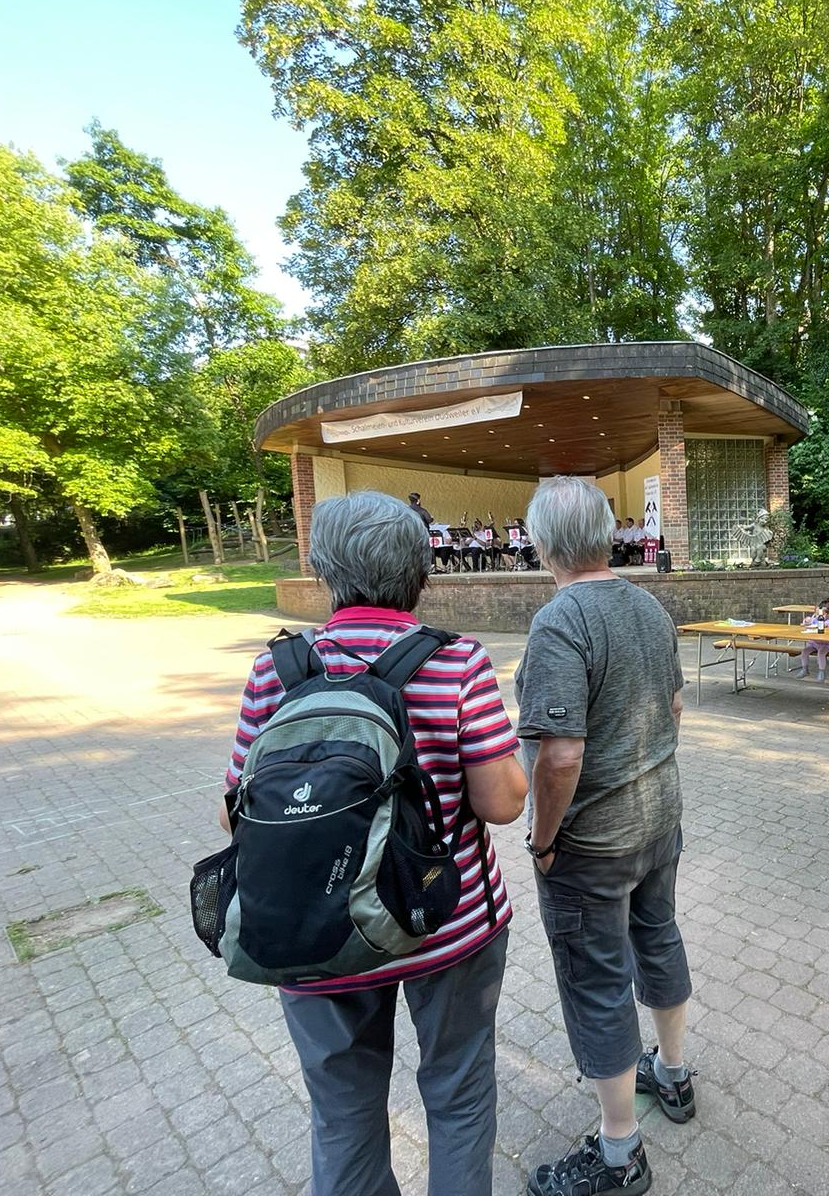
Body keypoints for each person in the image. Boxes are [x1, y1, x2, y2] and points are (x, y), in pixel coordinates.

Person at [222, 491, 528, 1196]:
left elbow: (234, 813)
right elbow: (502, 803)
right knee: (457, 1093)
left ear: (324, 569)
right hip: (444, 927)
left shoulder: (278, 668)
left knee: (342, 1112)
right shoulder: (457, 664)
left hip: (313, 929)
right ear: (422, 569)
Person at [516, 477, 694, 1196]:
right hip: (661, 818)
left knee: (595, 983)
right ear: (607, 534)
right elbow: (675, 707)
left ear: (541, 543)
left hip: (593, 844)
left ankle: (620, 1153)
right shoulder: (649, 605)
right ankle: (673, 1076)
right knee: (658, 935)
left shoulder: (560, 622)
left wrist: (542, 838)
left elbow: (560, 756)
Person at [795, 597, 829, 682]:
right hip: (814, 643)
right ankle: (805, 669)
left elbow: (827, 625)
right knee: (804, 651)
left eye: (822, 614)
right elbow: (805, 623)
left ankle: (822, 672)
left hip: (826, 644)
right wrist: (806, 621)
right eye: (817, 614)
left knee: (821, 653)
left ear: (828, 614)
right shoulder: (814, 620)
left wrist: (820, 623)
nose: (819, 616)